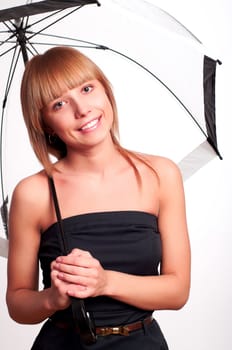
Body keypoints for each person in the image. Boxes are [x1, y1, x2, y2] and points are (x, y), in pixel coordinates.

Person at [6, 46, 191, 350]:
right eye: (59, 104)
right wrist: (52, 298)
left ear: (105, 89)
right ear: (44, 124)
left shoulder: (161, 174)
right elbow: (17, 303)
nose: (82, 110)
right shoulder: (33, 193)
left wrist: (105, 282)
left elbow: (177, 291)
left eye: (87, 88)